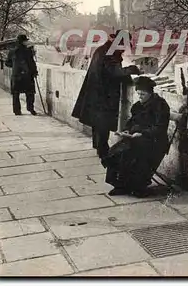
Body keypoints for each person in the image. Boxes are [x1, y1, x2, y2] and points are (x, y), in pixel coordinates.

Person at [71, 32, 141, 162]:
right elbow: (114, 72)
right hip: (104, 94)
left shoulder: (103, 49)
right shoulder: (109, 52)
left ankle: (98, 146)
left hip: (97, 92)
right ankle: (103, 151)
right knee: (103, 122)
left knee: (98, 122)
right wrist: (132, 69)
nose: (125, 48)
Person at [105, 76, 170, 198]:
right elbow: (131, 122)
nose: (140, 97)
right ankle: (120, 185)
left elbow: (160, 128)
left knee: (134, 153)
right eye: (138, 94)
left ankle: (138, 186)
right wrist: (126, 131)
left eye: (143, 94)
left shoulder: (160, 105)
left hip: (154, 140)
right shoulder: (138, 106)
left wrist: (143, 133)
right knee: (115, 152)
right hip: (136, 139)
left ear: (150, 93)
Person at [5, 34, 38, 116]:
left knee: (16, 94)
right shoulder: (28, 51)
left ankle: (17, 111)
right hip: (27, 75)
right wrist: (34, 72)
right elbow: (31, 63)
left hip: (16, 75)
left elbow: (7, 63)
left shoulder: (12, 51)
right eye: (26, 41)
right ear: (23, 42)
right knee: (30, 93)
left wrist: (15, 66)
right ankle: (30, 108)